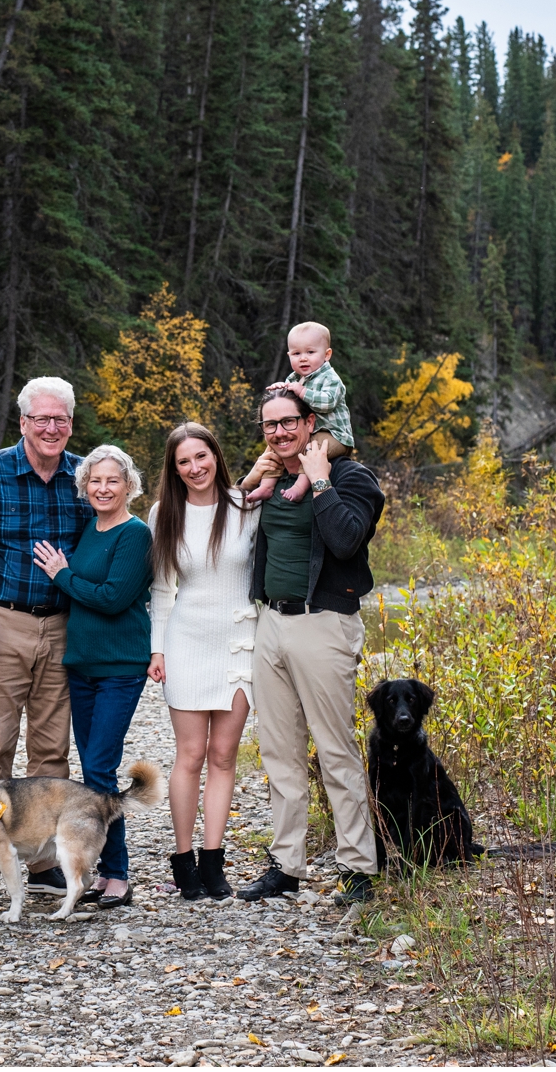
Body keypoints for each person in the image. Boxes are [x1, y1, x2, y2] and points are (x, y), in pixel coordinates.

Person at [237, 386, 385, 905]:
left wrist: (320, 481)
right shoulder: (272, 479)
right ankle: (287, 864)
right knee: (279, 751)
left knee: (335, 749)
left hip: (324, 623)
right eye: (269, 425)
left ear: (310, 422)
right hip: (270, 625)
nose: (279, 432)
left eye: (288, 422)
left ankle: (358, 868)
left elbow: (347, 540)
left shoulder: (350, 477)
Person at [0, 376, 96, 903]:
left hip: (62, 624)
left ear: (71, 424)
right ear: (23, 423)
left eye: (61, 419)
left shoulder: (84, 477)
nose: (52, 428)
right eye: (42, 419)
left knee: (51, 752)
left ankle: (38, 864)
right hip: (1, 622)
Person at [31, 444, 154, 907]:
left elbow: (111, 598)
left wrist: (61, 575)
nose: (103, 488)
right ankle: (106, 872)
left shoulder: (134, 534)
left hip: (120, 666)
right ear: (85, 488)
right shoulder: (89, 528)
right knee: (92, 769)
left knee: (99, 765)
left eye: (112, 481)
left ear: (128, 486)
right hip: (81, 665)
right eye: (95, 481)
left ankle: (117, 876)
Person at [147, 422, 257, 901]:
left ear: (216, 455)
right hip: (187, 640)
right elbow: (162, 589)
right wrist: (158, 649)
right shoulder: (162, 513)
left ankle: (215, 862)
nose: (195, 468)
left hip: (239, 641)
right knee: (190, 755)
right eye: (183, 462)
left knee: (223, 756)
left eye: (201, 456)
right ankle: (183, 859)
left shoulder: (247, 505)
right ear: (174, 470)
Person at [242, 321, 354, 503]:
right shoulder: (294, 378)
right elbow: (288, 400)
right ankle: (266, 486)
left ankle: (300, 487)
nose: (303, 358)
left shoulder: (330, 378)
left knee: (312, 450)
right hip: (311, 433)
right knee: (271, 448)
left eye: (310, 352)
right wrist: (281, 388)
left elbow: (328, 402)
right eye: (296, 353)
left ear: (327, 355)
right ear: (289, 355)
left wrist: (302, 392)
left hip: (335, 435)